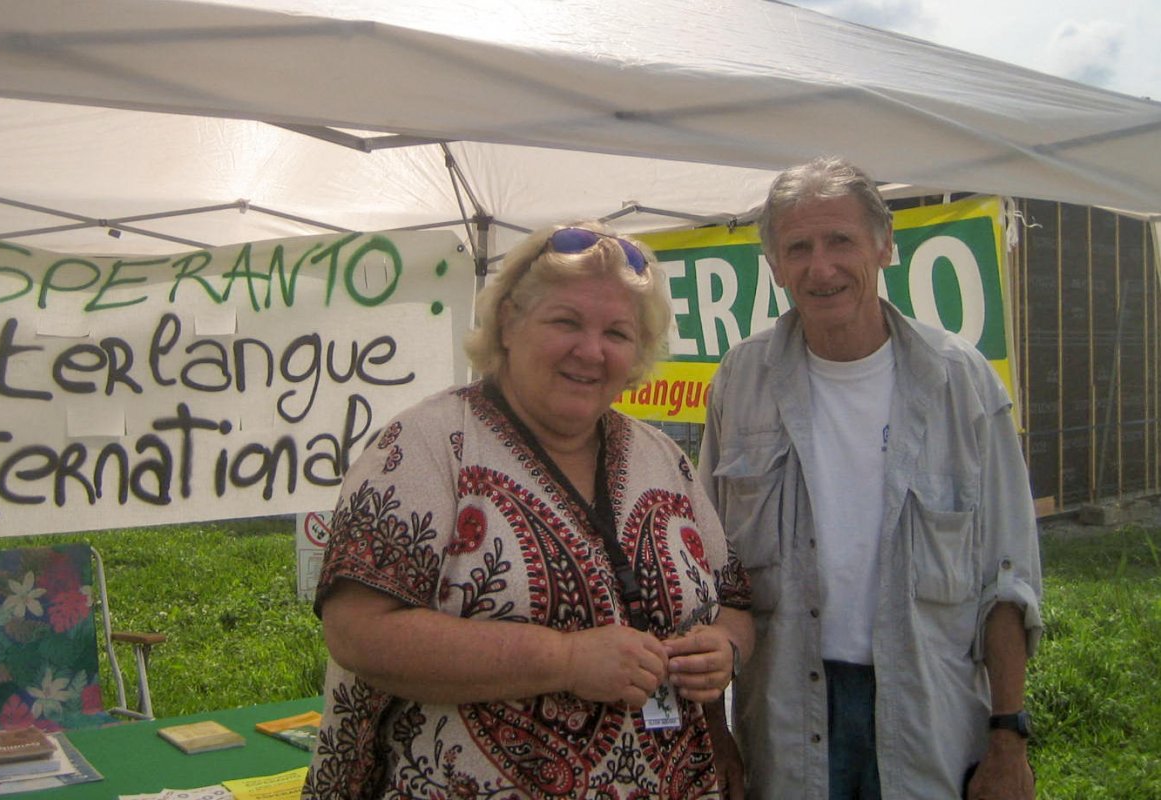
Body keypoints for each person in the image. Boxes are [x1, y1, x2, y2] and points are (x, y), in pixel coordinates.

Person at [302, 222, 755, 799]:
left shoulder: (662, 458)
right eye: (566, 322)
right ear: (509, 322)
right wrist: (565, 660)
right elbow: (358, 632)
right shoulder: (423, 446)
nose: (591, 351)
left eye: (617, 332)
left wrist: (724, 650)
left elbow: (735, 602)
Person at [697, 156, 1042, 800]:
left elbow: (1007, 575)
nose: (820, 267)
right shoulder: (740, 382)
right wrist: (714, 732)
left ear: (885, 247)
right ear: (774, 265)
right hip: (783, 717)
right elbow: (707, 577)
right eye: (798, 248)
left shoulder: (961, 382)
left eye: (840, 241)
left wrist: (1008, 737)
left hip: (929, 716)